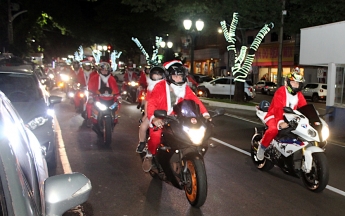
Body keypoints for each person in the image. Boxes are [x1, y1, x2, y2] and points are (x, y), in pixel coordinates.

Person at [142, 60, 211, 172]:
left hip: (180, 118)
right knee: (155, 137)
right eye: (175, 76)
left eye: (181, 76)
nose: (179, 79)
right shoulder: (159, 87)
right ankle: (149, 155)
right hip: (162, 117)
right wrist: (154, 118)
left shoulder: (185, 87)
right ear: (169, 76)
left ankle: (183, 158)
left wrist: (205, 114)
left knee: (192, 136)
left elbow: (195, 101)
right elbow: (151, 104)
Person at [256, 69, 307, 160]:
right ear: (288, 82)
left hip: (290, 117)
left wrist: (312, 117)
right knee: (273, 130)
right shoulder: (281, 91)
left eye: (297, 83)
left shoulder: (299, 95)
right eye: (293, 82)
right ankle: (262, 147)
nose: (295, 84)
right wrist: (280, 121)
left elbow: (304, 107)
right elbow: (278, 108)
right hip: (274, 115)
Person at [135, 66, 165, 153]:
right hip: (153, 113)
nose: (156, 78)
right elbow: (148, 102)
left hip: (166, 112)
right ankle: (142, 142)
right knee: (143, 126)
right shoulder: (150, 88)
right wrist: (146, 115)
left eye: (159, 76)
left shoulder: (167, 87)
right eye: (154, 76)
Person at [86, 62, 121, 127]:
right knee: (89, 104)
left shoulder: (112, 78)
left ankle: (115, 118)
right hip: (97, 98)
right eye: (103, 70)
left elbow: (115, 89)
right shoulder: (94, 78)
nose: (104, 71)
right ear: (99, 70)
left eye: (106, 70)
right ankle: (89, 118)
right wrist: (90, 96)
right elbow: (90, 89)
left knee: (117, 105)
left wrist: (118, 97)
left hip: (109, 98)